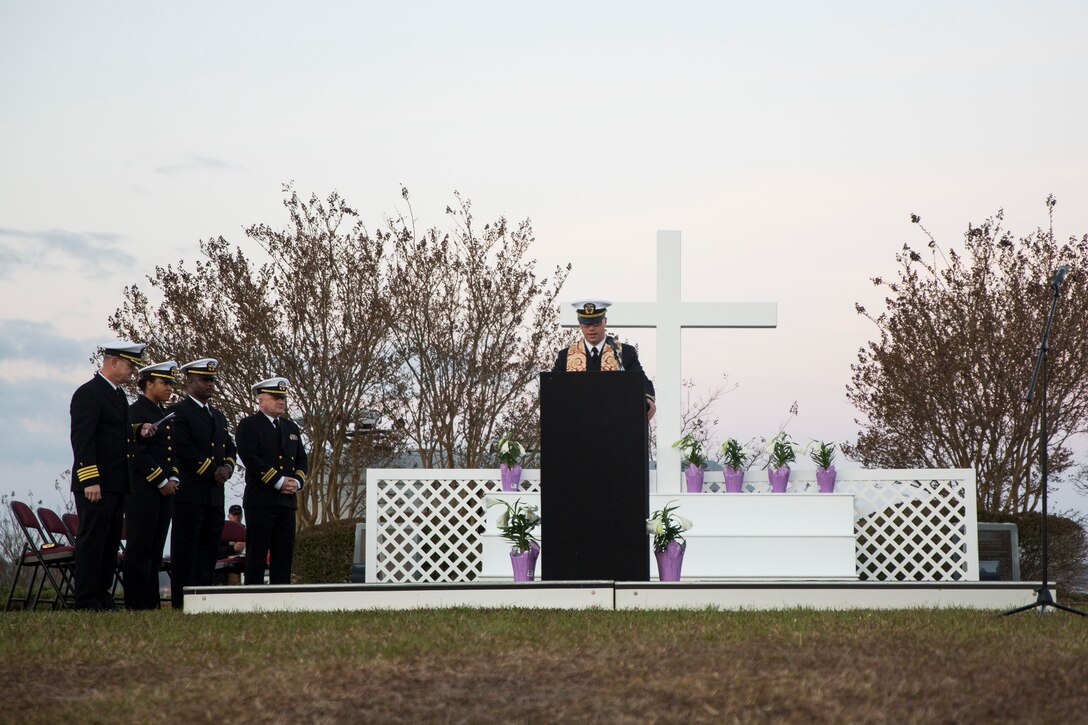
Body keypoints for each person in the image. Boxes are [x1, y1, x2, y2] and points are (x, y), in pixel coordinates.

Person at [69, 340, 146, 610]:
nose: (132, 372)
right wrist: (90, 479)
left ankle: (101, 594)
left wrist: (138, 431)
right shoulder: (89, 393)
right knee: (93, 541)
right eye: (129, 365)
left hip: (116, 482)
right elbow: (83, 439)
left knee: (110, 541)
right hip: (96, 483)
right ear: (113, 362)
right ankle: (86, 598)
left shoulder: (117, 395)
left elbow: (117, 434)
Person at [169, 358, 237, 609]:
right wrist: (212, 470)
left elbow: (230, 447)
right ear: (189, 382)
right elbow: (183, 448)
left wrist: (228, 468)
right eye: (204, 380)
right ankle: (181, 602)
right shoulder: (179, 413)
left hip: (214, 495)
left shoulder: (218, 416)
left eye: (212, 380)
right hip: (190, 492)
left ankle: (203, 600)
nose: (210, 385)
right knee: (186, 550)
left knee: (209, 548)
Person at [235, 377, 308, 585]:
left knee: (283, 555)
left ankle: (281, 597)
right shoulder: (249, 425)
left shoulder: (290, 427)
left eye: (283, 397)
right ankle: (253, 596)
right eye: (276, 397)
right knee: (257, 555)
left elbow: (302, 459)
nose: (281, 401)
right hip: (261, 501)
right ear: (261, 401)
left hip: (286, 502)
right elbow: (251, 458)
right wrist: (278, 481)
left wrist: (297, 482)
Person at [124, 361, 180, 610]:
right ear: (148, 383)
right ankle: (137, 604)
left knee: (155, 550)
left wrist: (174, 478)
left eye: (171, 383)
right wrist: (160, 480)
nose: (169, 388)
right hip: (143, 489)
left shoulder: (162, 414)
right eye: (164, 383)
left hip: (165, 490)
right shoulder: (136, 412)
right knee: (140, 549)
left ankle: (152, 603)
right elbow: (138, 453)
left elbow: (171, 452)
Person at [551, 300, 657, 420]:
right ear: (580, 324)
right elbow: (553, 388)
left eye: (596, 324)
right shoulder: (566, 356)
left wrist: (647, 398)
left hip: (616, 423)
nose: (591, 329)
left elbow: (642, 382)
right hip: (577, 424)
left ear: (605, 322)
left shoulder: (625, 353)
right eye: (586, 324)